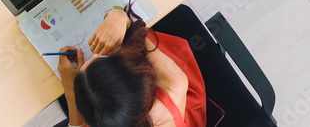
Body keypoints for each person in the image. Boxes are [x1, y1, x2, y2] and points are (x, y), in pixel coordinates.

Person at [57, 9, 207, 127]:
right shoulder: (174, 83)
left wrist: (70, 91)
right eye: (100, 58)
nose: (94, 55)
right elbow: (137, 33)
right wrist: (120, 18)